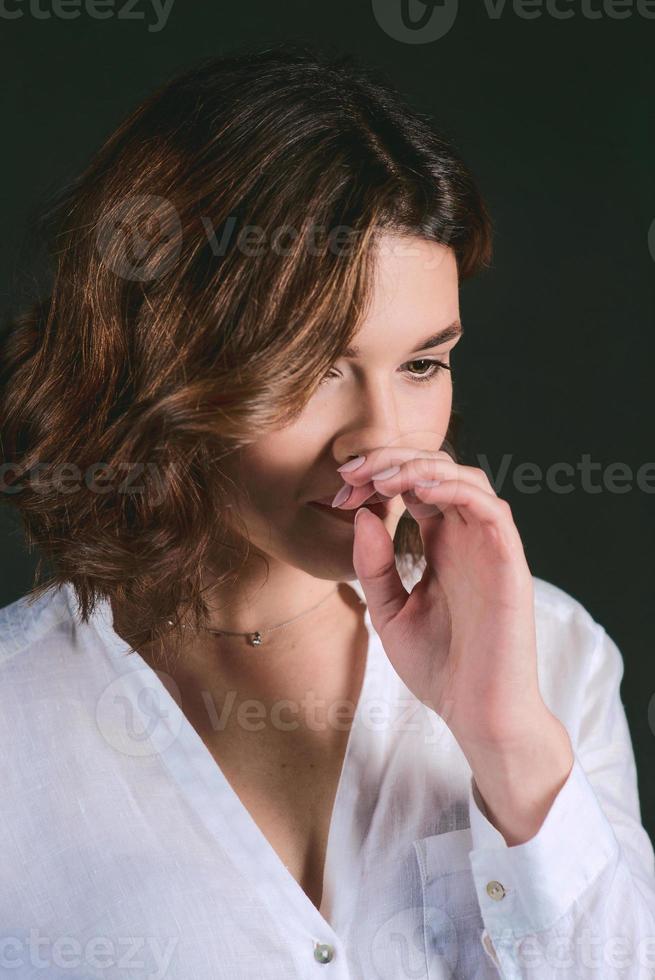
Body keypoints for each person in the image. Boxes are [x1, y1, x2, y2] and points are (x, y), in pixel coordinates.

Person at [1, 40, 654, 980]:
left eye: (422, 363)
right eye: (310, 367)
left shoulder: (553, 659)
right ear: (164, 357)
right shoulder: (18, 720)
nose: (377, 440)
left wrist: (508, 745)